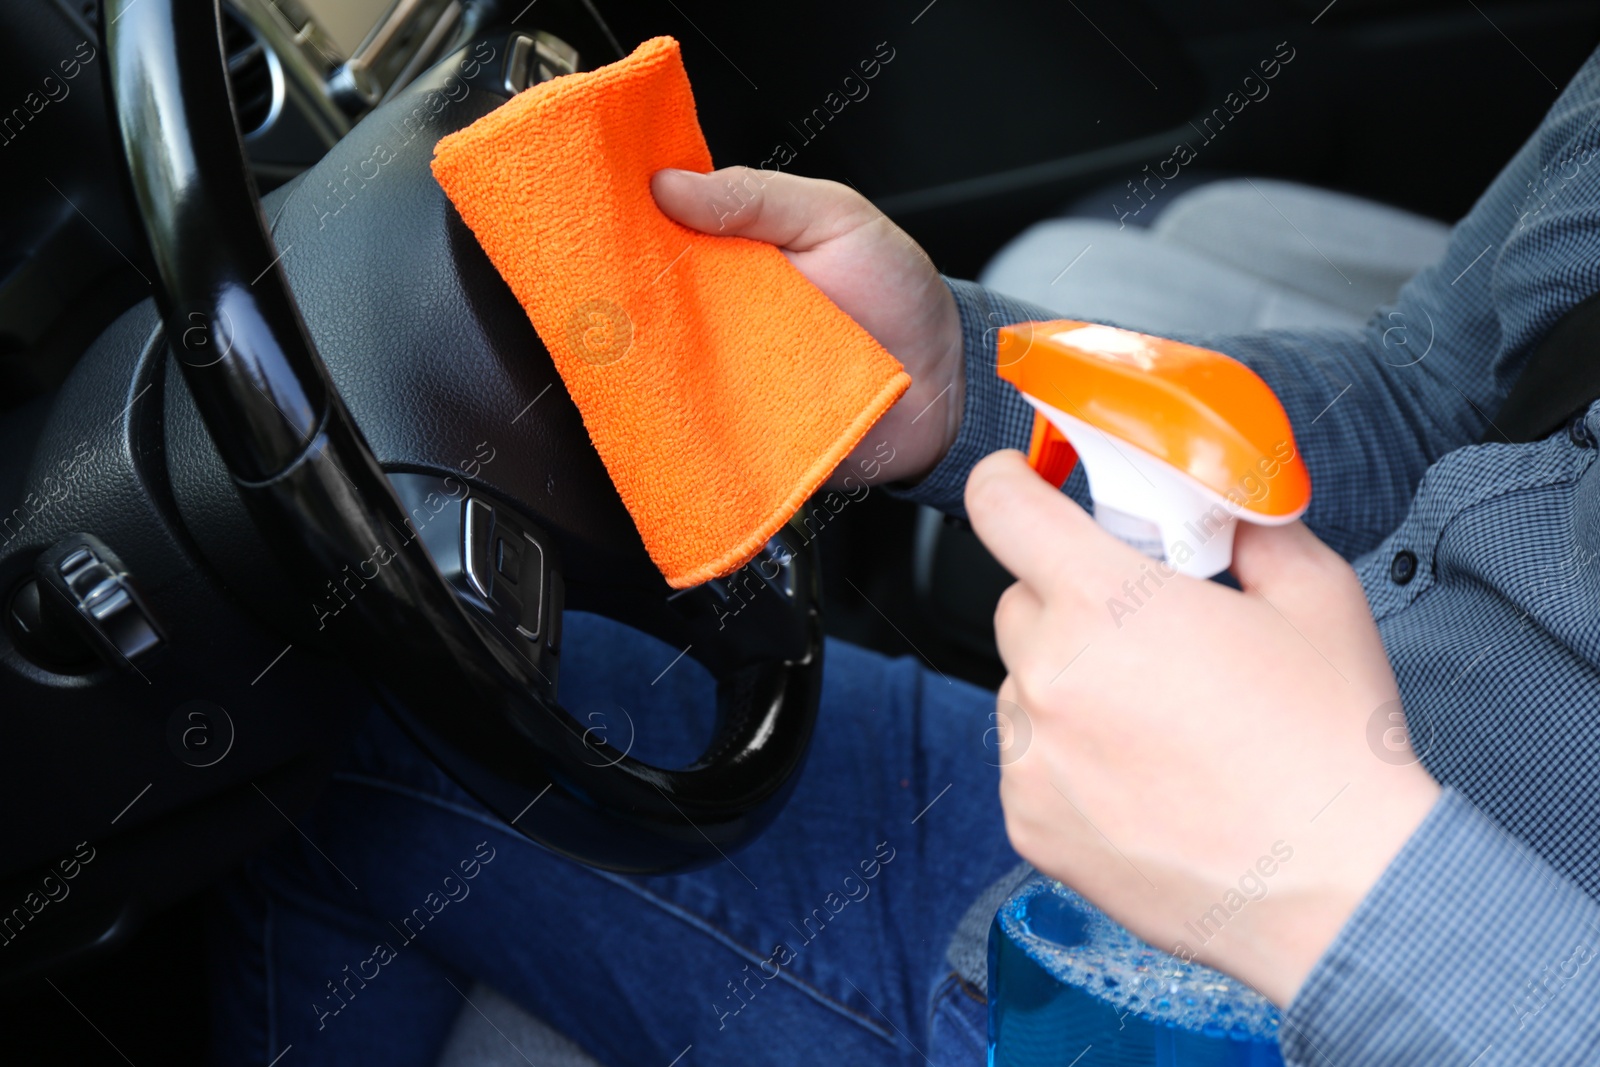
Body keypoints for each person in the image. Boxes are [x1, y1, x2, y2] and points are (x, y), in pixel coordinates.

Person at [213, 43, 1600, 1067]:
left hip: (1322, 983)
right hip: (1108, 874)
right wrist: (953, 377)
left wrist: (1337, 882)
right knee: (360, 724)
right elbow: (1433, 395)